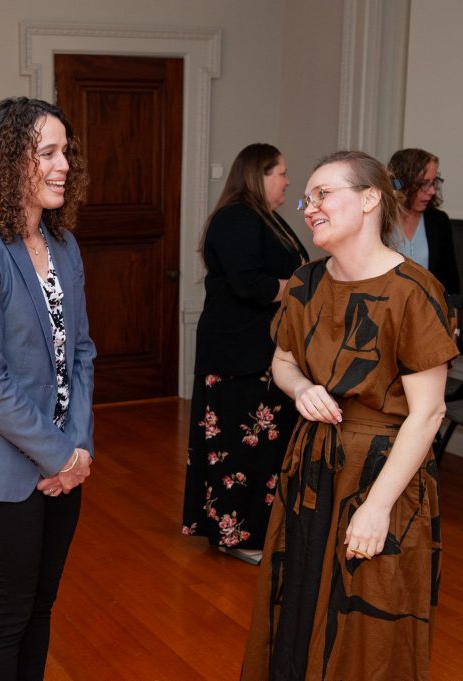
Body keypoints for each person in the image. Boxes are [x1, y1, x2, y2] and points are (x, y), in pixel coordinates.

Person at [241, 151, 458, 680]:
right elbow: (284, 360)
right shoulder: (305, 283)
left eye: (324, 194)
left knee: (366, 622)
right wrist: (301, 389)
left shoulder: (414, 290)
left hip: (383, 473)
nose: (310, 207)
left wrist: (377, 507)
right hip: (312, 466)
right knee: (298, 602)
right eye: (306, 198)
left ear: (369, 199)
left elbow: (428, 414)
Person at [0, 97, 96, 680]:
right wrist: (59, 455)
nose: (63, 166)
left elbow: (80, 351)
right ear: (11, 162)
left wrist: (78, 450)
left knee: (41, 606)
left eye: (66, 152)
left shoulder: (64, 244)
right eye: (48, 153)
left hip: (66, 462)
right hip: (0, 470)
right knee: (7, 615)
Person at [181, 143, 308, 565]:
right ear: (259, 175)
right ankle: (238, 537)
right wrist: (304, 288)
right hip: (237, 354)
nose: (288, 181)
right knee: (238, 448)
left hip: (260, 351)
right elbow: (248, 283)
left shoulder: (265, 219)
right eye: (281, 172)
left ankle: (254, 531)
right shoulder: (237, 217)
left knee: (260, 450)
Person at [387, 148, 462, 309]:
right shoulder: (380, 221)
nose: (432, 191)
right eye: (423, 184)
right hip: (384, 316)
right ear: (402, 183)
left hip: (427, 316)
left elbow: (450, 281)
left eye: (434, 183)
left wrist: (454, 326)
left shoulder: (438, 222)